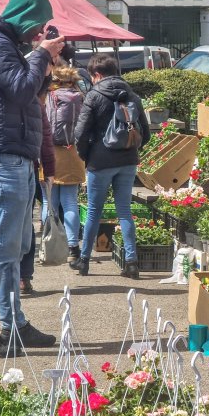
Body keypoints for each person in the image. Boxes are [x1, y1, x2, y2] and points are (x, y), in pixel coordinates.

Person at [0, 0, 64, 357]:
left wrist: (45, 62)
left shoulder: (4, 43)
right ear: (23, 16)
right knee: (0, 248)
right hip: (1, 158)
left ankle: (14, 324)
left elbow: (29, 90)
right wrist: (39, 54)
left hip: (15, 157)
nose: (38, 33)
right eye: (36, 25)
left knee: (12, 249)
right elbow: (21, 91)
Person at [70, 53, 150, 278]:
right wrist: (131, 150)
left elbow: (80, 132)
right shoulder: (133, 95)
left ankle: (84, 260)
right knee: (124, 211)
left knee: (94, 211)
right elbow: (145, 131)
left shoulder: (94, 96)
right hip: (128, 161)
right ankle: (132, 262)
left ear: (96, 75)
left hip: (100, 161)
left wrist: (86, 156)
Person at [20, 64, 57, 295]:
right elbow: (46, 139)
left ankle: (14, 276)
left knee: (8, 226)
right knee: (26, 226)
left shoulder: (6, 99)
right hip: (29, 169)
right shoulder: (37, 106)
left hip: (5, 167)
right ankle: (24, 277)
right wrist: (50, 170)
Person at [42, 65, 85, 262]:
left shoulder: (48, 97)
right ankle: (73, 246)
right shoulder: (80, 97)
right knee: (70, 202)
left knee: (48, 202)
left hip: (48, 153)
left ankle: (47, 243)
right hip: (72, 152)